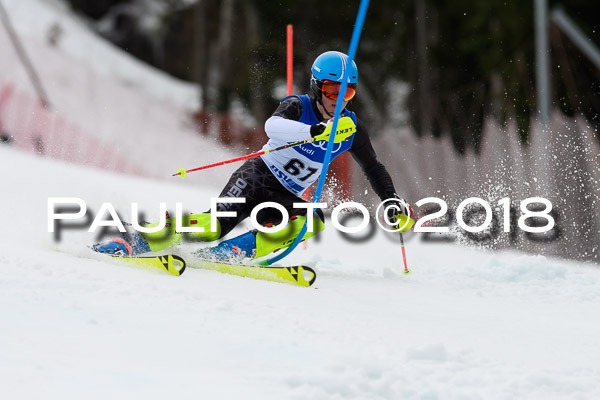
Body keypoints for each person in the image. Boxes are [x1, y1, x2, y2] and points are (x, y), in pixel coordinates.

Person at [93, 51, 414, 260]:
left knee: (311, 221)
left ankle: (230, 252)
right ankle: (134, 241)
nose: (339, 99)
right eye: (332, 91)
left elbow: (373, 166)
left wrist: (391, 200)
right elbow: (272, 127)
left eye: (347, 92)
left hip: (285, 193)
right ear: (317, 87)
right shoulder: (298, 106)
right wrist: (315, 132)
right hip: (257, 175)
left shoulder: (352, 129)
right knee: (211, 225)